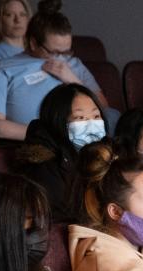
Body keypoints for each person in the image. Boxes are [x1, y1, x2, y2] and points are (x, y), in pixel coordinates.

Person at [0, 0, 113, 141]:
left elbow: (105, 109)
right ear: (33, 43)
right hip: (40, 145)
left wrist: (72, 80)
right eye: (55, 52)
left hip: (89, 136)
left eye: (66, 52)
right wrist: (48, 136)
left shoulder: (74, 64)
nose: (61, 58)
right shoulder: (4, 69)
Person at [16, 82, 109, 222]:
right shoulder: (44, 167)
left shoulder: (109, 154)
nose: (91, 124)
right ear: (58, 121)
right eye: (80, 118)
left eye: (96, 117)